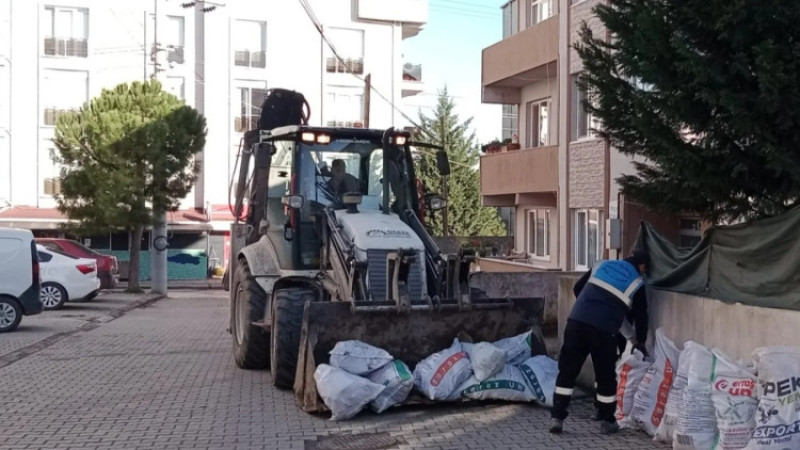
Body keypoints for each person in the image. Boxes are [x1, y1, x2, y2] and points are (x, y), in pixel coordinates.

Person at [549, 250, 650, 435]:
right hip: (602, 330)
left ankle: (557, 417)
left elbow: (578, 287)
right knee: (605, 376)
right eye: (645, 270)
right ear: (642, 267)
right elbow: (641, 316)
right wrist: (639, 341)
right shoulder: (637, 282)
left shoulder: (602, 265)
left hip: (576, 322)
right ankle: (607, 421)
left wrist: (590, 306)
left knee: (567, 371)